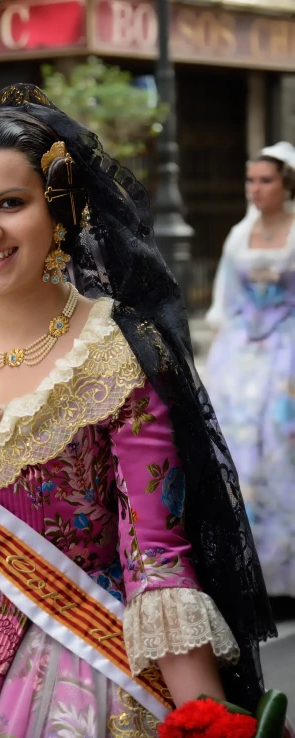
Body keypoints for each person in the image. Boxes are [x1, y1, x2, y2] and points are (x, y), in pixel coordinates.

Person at [0, 85, 274, 738]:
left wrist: (209, 722)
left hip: (77, 676)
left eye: (11, 203)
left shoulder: (117, 355)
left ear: (60, 207)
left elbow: (157, 561)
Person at [206, 141, 295, 610]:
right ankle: (244, 571)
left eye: (266, 180)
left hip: (287, 345)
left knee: (278, 444)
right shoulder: (241, 235)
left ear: (286, 185)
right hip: (241, 352)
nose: (256, 189)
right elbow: (227, 297)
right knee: (233, 449)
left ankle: (283, 572)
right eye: (251, 180)